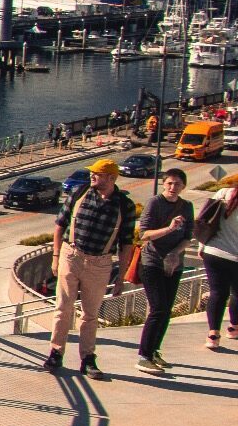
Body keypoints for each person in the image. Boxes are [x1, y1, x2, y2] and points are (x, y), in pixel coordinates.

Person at [46, 158, 136, 378]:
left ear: (111, 178)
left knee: (90, 314)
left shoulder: (124, 205)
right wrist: (56, 258)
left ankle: (87, 358)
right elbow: (59, 226)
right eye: (92, 173)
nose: (92, 176)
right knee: (63, 308)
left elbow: (126, 244)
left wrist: (121, 277)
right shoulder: (79, 193)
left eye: (97, 173)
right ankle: (56, 351)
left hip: (100, 263)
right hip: (72, 255)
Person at [135, 167, 194, 373]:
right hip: (152, 262)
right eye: (169, 183)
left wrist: (175, 253)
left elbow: (188, 236)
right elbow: (144, 235)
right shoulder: (154, 203)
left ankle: (154, 351)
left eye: (177, 184)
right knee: (158, 307)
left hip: (173, 264)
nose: (172, 187)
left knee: (166, 310)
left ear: (183, 186)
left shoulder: (187, 206)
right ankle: (144, 355)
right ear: (163, 184)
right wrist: (169, 228)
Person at [197, 173, 238, 350]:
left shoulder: (222, 193)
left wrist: (201, 244)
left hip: (213, 251)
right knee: (237, 294)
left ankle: (213, 334)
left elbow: (204, 220)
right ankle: (234, 328)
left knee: (217, 293)